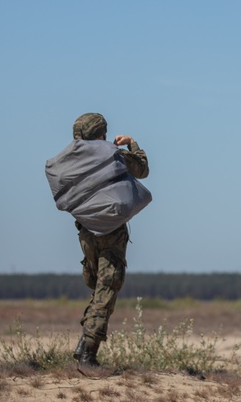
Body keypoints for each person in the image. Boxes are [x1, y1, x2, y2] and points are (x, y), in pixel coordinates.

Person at [67, 113, 149, 367]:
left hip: (86, 232)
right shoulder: (113, 156)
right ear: (101, 134)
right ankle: (88, 354)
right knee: (107, 290)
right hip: (111, 233)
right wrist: (131, 143)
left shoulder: (72, 162)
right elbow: (143, 169)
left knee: (98, 288)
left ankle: (84, 344)